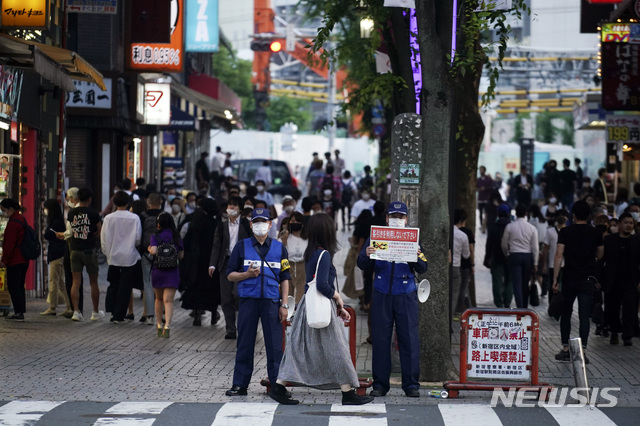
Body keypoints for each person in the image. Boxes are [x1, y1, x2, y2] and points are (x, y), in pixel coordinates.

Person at [271, 213, 373, 406]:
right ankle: (347, 394)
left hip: (307, 308)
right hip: (320, 309)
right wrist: (338, 298)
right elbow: (322, 286)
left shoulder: (311, 252)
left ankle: (279, 386)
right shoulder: (324, 254)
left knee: (298, 349)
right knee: (338, 350)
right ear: (326, 231)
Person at [357, 202, 428, 398]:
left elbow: (423, 266)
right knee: (380, 340)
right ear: (387, 218)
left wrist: (415, 256)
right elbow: (361, 263)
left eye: (401, 216)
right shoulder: (375, 237)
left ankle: (411, 385)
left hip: (406, 293)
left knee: (409, 340)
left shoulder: (413, 239)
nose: (397, 220)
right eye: (393, 216)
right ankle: (380, 385)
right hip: (381, 292)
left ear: (406, 219)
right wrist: (368, 254)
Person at [224, 208, 291, 397]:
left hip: (271, 301)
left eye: (264, 221)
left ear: (270, 224)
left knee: (275, 346)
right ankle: (240, 384)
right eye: (256, 222)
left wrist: (284, 305)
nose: (260, 225)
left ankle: (277, 385)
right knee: (244, 343)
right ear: (251, 224)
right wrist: (246, 274)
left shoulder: (279, 248)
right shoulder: (241, 246)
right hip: (248, 302)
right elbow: (229, 275)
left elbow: (285, 278)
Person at [553, 200, 604, 363]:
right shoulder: (596, 233)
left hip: (570, 277)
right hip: (587, 278)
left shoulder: (565, 232)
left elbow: (559, 255)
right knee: (583, 316)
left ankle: (566, 349)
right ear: (589, 215)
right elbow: (601, 254)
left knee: (566, 313)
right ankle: (582, 351)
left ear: (573, 215)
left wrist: (555, 278)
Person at [209, 197, 253, 339]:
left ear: (240, 209)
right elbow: (216, 246)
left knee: (239, 296)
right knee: (226, 298)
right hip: (226, 263)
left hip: (242, 264)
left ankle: (243, 328)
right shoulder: (222, 226)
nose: (231, 209)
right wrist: (212, 264)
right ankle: (230, 330)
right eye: (229, 206)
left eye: (234, 206)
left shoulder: (246, 225)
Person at [101, 191, 142, 323]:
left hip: (113, 256)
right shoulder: (135, 218)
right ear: (128, 202)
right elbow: (138, 239)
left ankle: (112, 312)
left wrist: (107, 253)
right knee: (125, 287)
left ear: (114, 202)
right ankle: (119, 315)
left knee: (113, 284)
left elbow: (103, 239)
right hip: (129, 257)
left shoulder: (108, 218)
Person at [601, 213, 640, 346]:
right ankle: (614, 332)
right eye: (626, 222)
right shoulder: (609, 240)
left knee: (630, 308)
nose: (628, 225)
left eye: (631, 223)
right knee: (612, 308)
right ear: (619, 224)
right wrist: (598, 279)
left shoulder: (636, 241)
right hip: (612, 280)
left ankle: (627, 335)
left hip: (631, 280)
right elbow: (602, 260)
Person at [180, 198, 221, 326]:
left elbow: (185, 242)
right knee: (212, 289)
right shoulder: (217, 224)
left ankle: (197, 315)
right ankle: (214, 314)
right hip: (212, 262)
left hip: (196, 262)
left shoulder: (195, 224)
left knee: (196, 288)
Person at [66, 188, 104, 322]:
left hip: (75, 249)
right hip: (89, 250)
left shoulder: (71, 213)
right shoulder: (94, 214)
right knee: (93, 282)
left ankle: (76, 311)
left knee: (75, 281)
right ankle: (95, 312)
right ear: (89, 199)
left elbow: (70, 230)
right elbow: (100, 231)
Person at [148, 213, 184, 338]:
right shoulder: (176, 236)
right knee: (168, 300)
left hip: (158, 270)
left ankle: (158, 325)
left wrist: (151, 249)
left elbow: (153, 251)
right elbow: (181, 255)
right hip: (172, 271)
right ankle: (167, 325)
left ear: (159, 223)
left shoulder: (155, 236)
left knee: (158, 299)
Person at [501, 204, 538, 309]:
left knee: (516, 283)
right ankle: (525, 307)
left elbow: (504, 244)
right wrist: (535, 262)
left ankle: (520, 307)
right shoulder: (532, 228)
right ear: (526, 214)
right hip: (527, 257)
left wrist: (507, 254)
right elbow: (535, 247)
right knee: (525, 283)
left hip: (514, 255)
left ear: (516, 213)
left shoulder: (510, 227)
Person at [0, 198, 30, 321]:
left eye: (4, 210)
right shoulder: (21, 219)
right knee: (19, 285)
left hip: (15, 260)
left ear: (11, 209)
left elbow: (10, 244)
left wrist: (4, 260)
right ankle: (20, 311)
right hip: (23, 259)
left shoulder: (13, 223)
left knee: (14, 286)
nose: (3, 213)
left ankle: (18, 312)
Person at [41, 199, 72, 316]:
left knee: (54, 281)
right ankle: (69, 306)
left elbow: (48, 235)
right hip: (59, 253)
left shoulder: (55, 222)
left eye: (46, 208)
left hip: (56, 254)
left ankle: (52, 307)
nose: (45, 211)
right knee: (60, 282)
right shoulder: (58, 221)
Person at [139, 193, 164, 325]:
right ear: (160, 202)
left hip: (146, 252)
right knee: (163, 284)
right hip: (163, 255)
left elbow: (139, 235)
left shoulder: (143, 216)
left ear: (148, 202)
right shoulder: (165, 216)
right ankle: (162, 313)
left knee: (147, 284)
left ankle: (149, 316)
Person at [484, 204, 512, 308]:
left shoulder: (493, 227)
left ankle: (498, 302)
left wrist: (487, 258)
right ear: (508, 213)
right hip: (509, 257)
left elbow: (488, 244)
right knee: (509, 280)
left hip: (496, 257)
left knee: (497, 281)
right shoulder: (511, 227)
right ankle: (507, 301)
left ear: (498, 213)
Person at [279, 212, 308, 304]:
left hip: (302, 265)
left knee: (301, 288)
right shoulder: (285, 237)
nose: (294, 223)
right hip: (288, 264)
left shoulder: (307, 238)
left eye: (296, 221)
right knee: (288, 289)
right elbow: (280, 252)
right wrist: (284, 239)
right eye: (292, 221)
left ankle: (299, 309)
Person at [540, 209, 568, 299]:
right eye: (559, 215)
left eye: (563, 215)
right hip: (553, 264)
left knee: (564, 288)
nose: (562, 217)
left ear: (567, 218)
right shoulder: (550, 231)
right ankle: (552, 308)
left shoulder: (570, 231)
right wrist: (544, 264)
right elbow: (546, 249)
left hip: (566, 265)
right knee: (552, 287)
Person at [452, 209, 471, 320]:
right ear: (461, 221)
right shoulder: (462, 236)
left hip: (447, 266)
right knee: (455, 293)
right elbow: (466, 255)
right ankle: (452, 315)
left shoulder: (447, 231)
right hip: (456, 266)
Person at [477, 166, 493, 230]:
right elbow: (476, 187)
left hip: (487, 198)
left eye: (482, 169)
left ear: (484, 170)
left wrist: (485, 188)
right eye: (480, 170)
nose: (480, 171)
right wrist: (478, 189)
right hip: (480, 198)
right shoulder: (478, 179)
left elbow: (492, 187)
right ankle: (481, 225)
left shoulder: (489, 179)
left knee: (487, 213)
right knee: (480, 213)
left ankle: (486, 225)